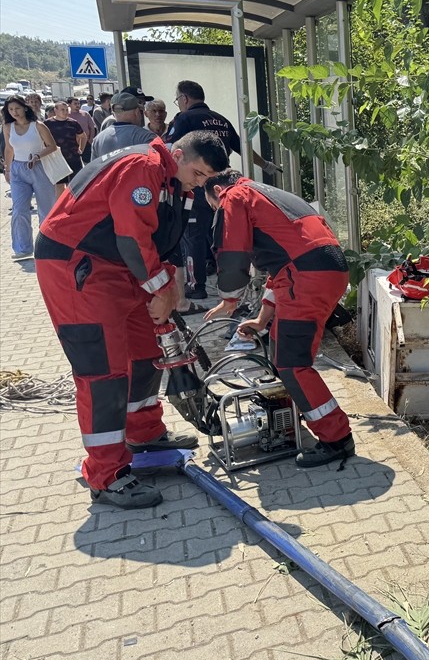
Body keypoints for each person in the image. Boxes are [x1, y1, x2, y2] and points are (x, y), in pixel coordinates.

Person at [33, 132, 228, 509]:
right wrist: (161, 287)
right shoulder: (143, 168)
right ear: (177, 154)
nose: (201, 182)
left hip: (120, 267)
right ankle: (107, 475)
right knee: (103, 371)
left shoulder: (174, 181)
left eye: (206, 178)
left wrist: (168, 282)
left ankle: (144, 434)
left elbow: (165, 240)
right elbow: (132, 237)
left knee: (145, 351)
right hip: (79, 264)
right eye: (199, 173)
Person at [203, 170, 355, 468]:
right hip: (323, 271)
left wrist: (229, 299)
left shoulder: (234, 196)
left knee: (292, 364)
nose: (216, 210)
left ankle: (336, 438)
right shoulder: (271, 195)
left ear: (218, 190)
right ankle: (298, 412)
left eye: (212, 205)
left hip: (307, 278)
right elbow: (282, 270)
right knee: (279, 350)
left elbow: (233, 252)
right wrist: (261, 320)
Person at [165, 80, 241, 301]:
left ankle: (195, 285)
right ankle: (224, 278)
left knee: (192, 236)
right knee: (217, 231)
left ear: (184, 99)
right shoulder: (221, 120)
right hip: (222, 184)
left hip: (197, 181)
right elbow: (240, 146)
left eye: (177, 100)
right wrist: (265, 165)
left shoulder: (184, 119)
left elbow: (172, 149)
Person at [2, 96, 59, 260]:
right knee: (19, 209)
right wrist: (7, 169)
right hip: (18, 169)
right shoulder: (7, 127)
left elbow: (52, 146)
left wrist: (37, 156)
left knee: (46, 209)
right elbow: (8, 149)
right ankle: (23, 248)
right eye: (11, 109)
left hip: (39, 167)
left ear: (25, 108)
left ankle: (47, 245)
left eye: (17, 108)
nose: (14, 112)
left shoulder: (38, 126)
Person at [91, 88, 157, 160]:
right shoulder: (146, 136)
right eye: (139, 103)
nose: (143, 109)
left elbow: (94, 168)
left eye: (143, 103)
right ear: (136, 111)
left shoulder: (98, 139)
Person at [44, 102, 86, 196]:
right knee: (59, 184)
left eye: (66, 110)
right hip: (57, 158)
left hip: (73, 157)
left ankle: (73, 205)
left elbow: (83, 136)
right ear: (56, 110)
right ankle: (60, 206)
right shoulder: (48, 123)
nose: (65, 112)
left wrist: (81, 149)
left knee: (74, 184)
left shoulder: (73, 123)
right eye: (62, 110)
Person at [67, 97, 97, 162]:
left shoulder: (85, 114)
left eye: (78, 103)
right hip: (72, 144)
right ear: (69, 105)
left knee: (88, 162)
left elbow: (92, 127)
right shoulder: (66, 115)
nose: (77, 105)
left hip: (86, 142)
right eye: (75, 104)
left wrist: (91, 139)